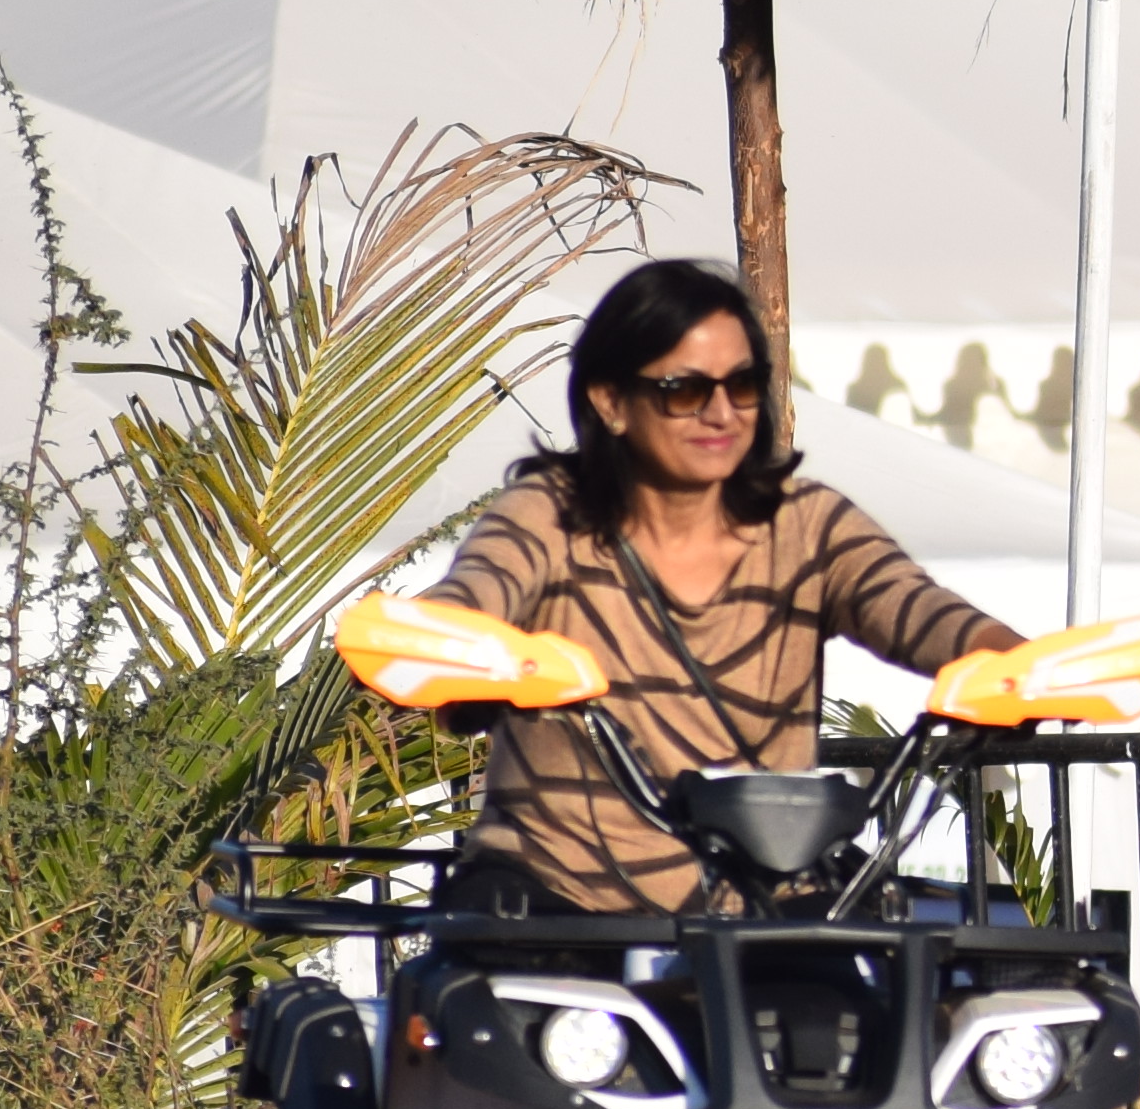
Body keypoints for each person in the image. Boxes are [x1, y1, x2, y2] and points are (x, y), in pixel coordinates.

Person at [425, 259, 1018, 917]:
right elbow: (473, 597)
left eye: (742, 384)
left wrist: (1017, 668)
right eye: (684, 389)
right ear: (610, 401)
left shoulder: (806, 522)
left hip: (763, 910)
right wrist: (435, 647)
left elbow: (918, 608)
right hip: (559, 900)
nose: (720, 412)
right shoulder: (550, 512)